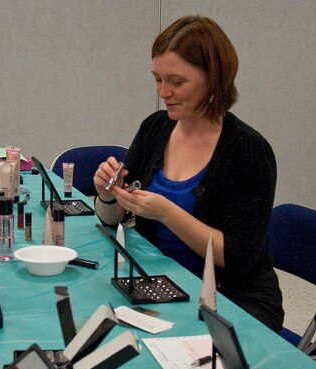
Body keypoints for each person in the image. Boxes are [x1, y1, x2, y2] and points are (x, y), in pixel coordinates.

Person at [93, 15, 283, 332]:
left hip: (231, 301)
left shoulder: (247, 151)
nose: (164, 91)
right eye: (157, 79)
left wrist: (167, 213)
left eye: (177, 82)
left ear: (214, 79)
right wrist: (107, 194)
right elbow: (110, 219)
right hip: (163, 283)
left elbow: (238, 258)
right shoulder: (156, 128)